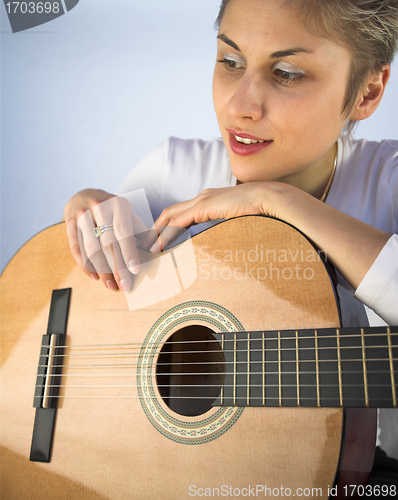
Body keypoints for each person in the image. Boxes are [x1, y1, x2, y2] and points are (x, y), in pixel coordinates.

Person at [63, 0, 398, 491]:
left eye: (286, 72)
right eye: (231, 61)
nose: (241, 105)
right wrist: (84, 219)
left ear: (367, 92)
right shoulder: (172, 173)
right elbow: (101, 329)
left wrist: (277, 200)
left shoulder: (388, 181)